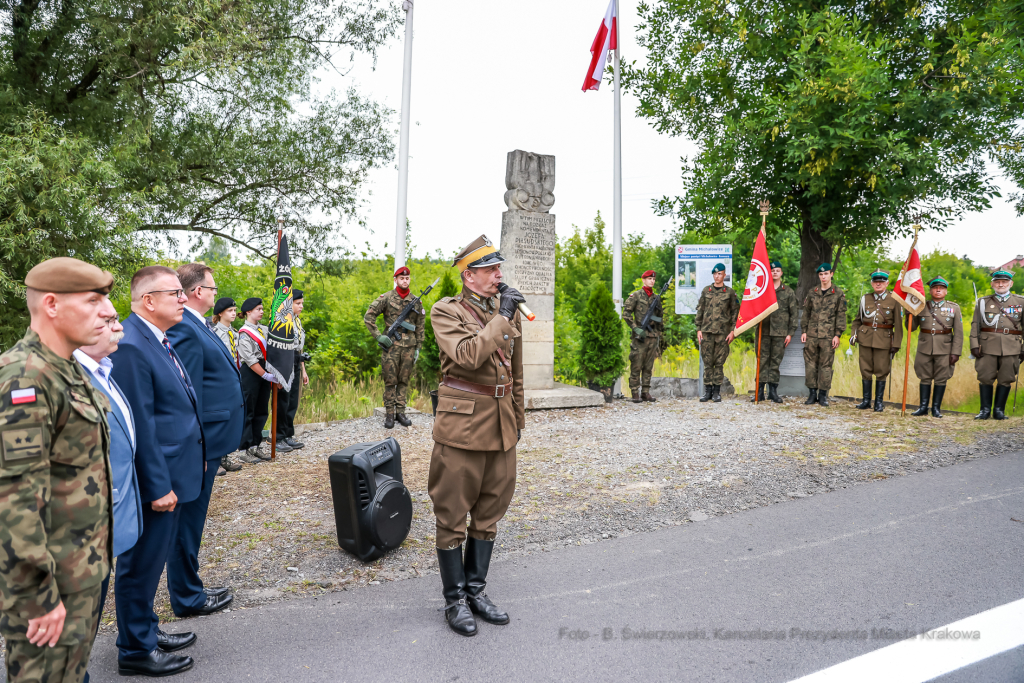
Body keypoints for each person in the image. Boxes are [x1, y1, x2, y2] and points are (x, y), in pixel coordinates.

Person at [0, 257, 115, 683]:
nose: (106, 311)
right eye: (93, 300)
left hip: (80, 570)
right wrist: (38, 597)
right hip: (51, 586)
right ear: (51, 304)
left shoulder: (65, 369)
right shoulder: (24, 377)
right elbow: (14, 499)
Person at [109, 265, 205, 677]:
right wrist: (157, 484)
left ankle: (145, 629)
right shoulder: (131, 345)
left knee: (152, 559)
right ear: (148, 301)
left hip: (174, 469)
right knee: (141, 562)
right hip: (157, 478)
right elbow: (140, 425)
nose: (184, 298)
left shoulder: (155, 338)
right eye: (174, 294)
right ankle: (135, 649)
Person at [428, 235, 524, 637]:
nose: (498, 275)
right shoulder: (445, 311)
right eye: (490, 270)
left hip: (502, 426)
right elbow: (467, 356)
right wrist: (502, 316)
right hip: (462, 427)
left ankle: (476, 591)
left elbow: (516, 371)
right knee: (453, 515)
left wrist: (518, 420)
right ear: (469, 277)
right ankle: (454, 600)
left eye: (499, 269)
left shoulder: (507, 312)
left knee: (488, 514)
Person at [164, 263, 242, 618]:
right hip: (202, 443)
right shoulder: (184, 327)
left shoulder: (199, 325)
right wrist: (196, 447)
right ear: (197, 291)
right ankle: (187, 596)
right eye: (211, 288)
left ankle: (190, 587)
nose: (215, 293)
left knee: (193, 520)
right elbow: (186, 393)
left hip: (209, 441)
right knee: (187, 522)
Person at [74, 312, 143, 683]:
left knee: (84, 627)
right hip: (75, 533)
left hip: (103, 521)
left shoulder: (104, 370)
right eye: (109, 321)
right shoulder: (64, 377)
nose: (120, 328)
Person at [364, 266, 426, 429]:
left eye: (407, 278)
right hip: (391, 346)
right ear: (396, 279)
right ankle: (390, 414)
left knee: (404, 380)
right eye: (401, 278)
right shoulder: (386, 298)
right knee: (390, 380)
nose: (405, 281)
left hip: (409, 347)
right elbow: (369, 316)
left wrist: (418, 346)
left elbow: (420, 325)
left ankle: (401, 412)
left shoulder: (416, 301)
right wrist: (378, 336)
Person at [969, 270, 1024, 420]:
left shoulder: (1021, 302)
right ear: (992, 284)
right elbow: (975, 325)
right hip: (987, 346)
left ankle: (999, 411)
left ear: (1010, 284)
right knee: (985, 377)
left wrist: (1023, 349)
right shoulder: (982, 302)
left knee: (1006, 377)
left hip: (1011, 346)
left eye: (1004, 282)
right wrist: (974, 344)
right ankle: (984, 410)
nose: (1001, 284)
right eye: (997, 282)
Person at [908, 277, 963, 418]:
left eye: (941, 288)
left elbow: (958, 333)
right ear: (930, 290)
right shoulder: (921, 306)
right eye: (935, 288)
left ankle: (936, 409)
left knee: (941, 378)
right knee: (924, 378)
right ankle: (923, 407)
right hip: (924, 347)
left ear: (946, 291)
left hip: (945, 349)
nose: (938, 290)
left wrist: (956, 352)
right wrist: (909, 314)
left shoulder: (954, 308)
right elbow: (911, 328)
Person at [850, 271, 903, 412]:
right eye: (875, 281)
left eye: (881, 281)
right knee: (865, 369)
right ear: (872, 283)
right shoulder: (865, 298)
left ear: (887, 283)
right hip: (865, 338)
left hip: (884, 340)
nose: (878, 284)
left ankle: (878, 403)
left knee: (881, 370)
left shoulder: (895, 300)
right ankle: (866, 401)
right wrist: (853, 335)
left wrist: (896, 344)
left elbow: (898, 324)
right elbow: (857, 320)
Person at [801, 263, 847, 407]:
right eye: (821, 274)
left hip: (828, 336)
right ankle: (812, 394)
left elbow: (841, 315)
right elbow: (806, 313)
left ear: (831, 274)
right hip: (812, 335)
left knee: (826, 365)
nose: (823, 277)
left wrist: (837, 334)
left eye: (826, 274)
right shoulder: (812, 292)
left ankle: (823, 395)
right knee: (810, 364)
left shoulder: (838, 293)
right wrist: (804, 331)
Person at [753, 261, 798, 403]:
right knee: (762, 361)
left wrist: (790, 333)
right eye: (772, 271)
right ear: (769, 273)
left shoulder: (788, 291)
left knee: (775, 362)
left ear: (781, 273)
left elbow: (793, 314)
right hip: (763, 331)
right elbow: (753, 308)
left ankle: (772, 391)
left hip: (780, 333)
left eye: (777, 270)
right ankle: (759, 391)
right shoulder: (761, 290)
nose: (775, 273)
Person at [695, 263, 740, 403]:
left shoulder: (730, 292)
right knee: (708, 363)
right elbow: (700, 310)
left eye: (719, 273)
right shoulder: (706, 291)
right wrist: (698, 329)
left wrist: (733, 331)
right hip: (707, 332)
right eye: (715, 274)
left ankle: (716, 392)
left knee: (719, 363)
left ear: (724, 275)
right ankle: (707, 392)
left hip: (722, 333)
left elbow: (735, 313)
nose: (717, 276)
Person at [236, 298, 274, 461]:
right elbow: (250, 359)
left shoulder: (263, 330)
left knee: (261, 410)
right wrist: (265, 374)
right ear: (249, 312)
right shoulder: (244, 333)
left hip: (265, 370)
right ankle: (244, 449)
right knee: (249, 410)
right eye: (259, 309)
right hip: (252, 373)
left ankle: (255, 445)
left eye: (262, 308)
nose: (262, 311)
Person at [621, 270, 664, 403]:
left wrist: (657, 322)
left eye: (654, 279)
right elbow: (626, 314)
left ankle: (645, 392)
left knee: (648, 366)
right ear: (643, 280)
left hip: (652, 336)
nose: (652, 281)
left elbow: (660, 317)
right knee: (636, 364)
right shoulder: (636, 296)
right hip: (640, 337)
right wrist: (635, 328)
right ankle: (635, 392)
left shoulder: (656, 298)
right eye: (649, 279)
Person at [275, 289, 309, 451]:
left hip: (296, 360)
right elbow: (279, 348)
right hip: (285, 361)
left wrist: (303, 369)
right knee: (283, 400)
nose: (301, 306)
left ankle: (288, 434)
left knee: (292, 400)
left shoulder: (297, 321)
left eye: (302, 303)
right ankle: (278, 437)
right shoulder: (282, 321)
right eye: (298, 303)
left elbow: (299, 348)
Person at [211, 297, 240, 367]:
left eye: (234, 310)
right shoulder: (214, 333)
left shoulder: (235, 333)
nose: (233, 313)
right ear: (220, 313)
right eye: (230, 311)